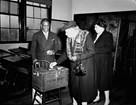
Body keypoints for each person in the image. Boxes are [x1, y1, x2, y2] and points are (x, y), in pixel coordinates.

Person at [50, 21, 97, 105]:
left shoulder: (85, 35)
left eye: (67, 32)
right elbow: (66, 53)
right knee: (74, 86)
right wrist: (56, 62)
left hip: (85, 65)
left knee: (84, 88)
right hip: (74, 66)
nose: (66, 34)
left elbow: (92, 51)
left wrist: (78, 57)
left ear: (73, 29)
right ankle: (74, 103)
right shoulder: (69, 39)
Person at [93, 18, 113, 105]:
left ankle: (107, 100)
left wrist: (94, 50)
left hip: (104, 62)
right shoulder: (94, 35)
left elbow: (109, 48)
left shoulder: (108, 35)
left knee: (104, 81)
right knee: (96, 79)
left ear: (102, 26)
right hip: (96, 61)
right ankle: (97, 96)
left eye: (96, 27)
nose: (95, 28)